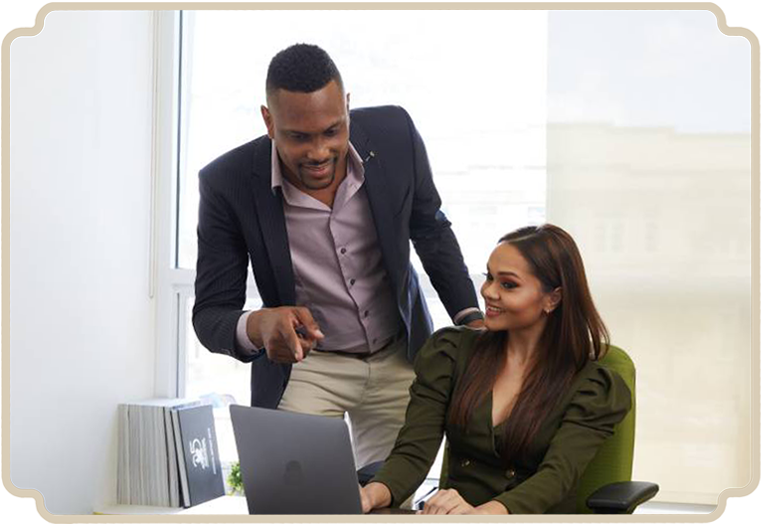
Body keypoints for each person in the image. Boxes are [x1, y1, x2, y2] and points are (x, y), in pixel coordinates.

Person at [192, 43, 483, 470]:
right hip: (308, 369)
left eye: (333, 130)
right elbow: (210, 314)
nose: (319, 152)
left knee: (390, 504)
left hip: (398, 355)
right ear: (269, 121)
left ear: (347, 108)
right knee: (290, 501)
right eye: (299, 136)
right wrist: (258, 324)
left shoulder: (395, 133)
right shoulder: (227, 182)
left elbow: (430, 228)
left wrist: (469, 316)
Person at [360, 224, 632, 515]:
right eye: (490, 276)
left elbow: (556, 478)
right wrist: (370, 495)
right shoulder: (450, 352)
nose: (488, 291)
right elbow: (413, 452)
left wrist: (482, 515)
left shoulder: (592, 386)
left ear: (553, 298)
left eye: (508, 284)